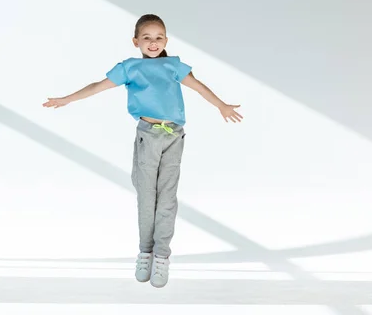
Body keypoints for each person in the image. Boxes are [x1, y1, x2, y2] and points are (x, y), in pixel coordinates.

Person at [43, 14, 243, 288]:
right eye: (146, 38)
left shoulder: (174, 65)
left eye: (159, 37)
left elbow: (199, 88)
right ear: (136, 41)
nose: (153, 42)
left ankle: (162, 255)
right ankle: (145, 251)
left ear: (166, 41)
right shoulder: (130, 68)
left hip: (173, 135)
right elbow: (97, 87)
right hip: (148, 136)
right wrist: (67, 99)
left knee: (167, 197)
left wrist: (221, 105)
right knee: (147, 196)